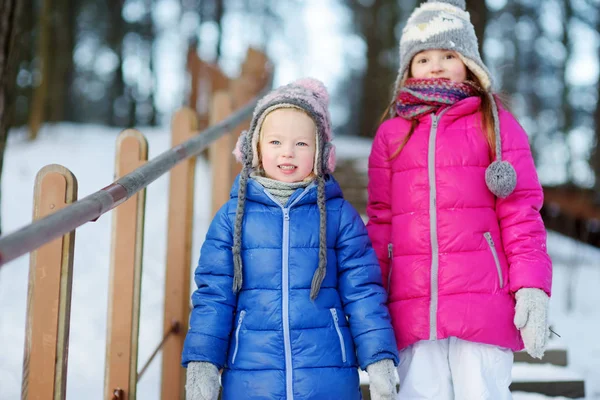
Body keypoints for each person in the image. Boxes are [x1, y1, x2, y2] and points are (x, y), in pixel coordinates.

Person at [366, 0, 553, 398]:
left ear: (468, 61)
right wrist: (371, 305)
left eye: (448, 55)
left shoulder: (494, 123)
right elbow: (381, 222)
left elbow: (520, 210)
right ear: (408, 69)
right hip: (412, 307)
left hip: (483, 303)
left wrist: (531, 287)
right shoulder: (391, 136)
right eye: (423, 58)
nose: (435, 66)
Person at [182, 77, 399, 400]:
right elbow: (214, 296)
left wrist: (379, 358)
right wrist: (203, 363)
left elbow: (363, 292)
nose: (288, 153)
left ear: (322, 151)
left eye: (301, 143)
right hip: (251, 377)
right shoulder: (232, 218)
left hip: (327, 376)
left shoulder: (340, 216)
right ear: (254, 146)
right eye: (275, 143)